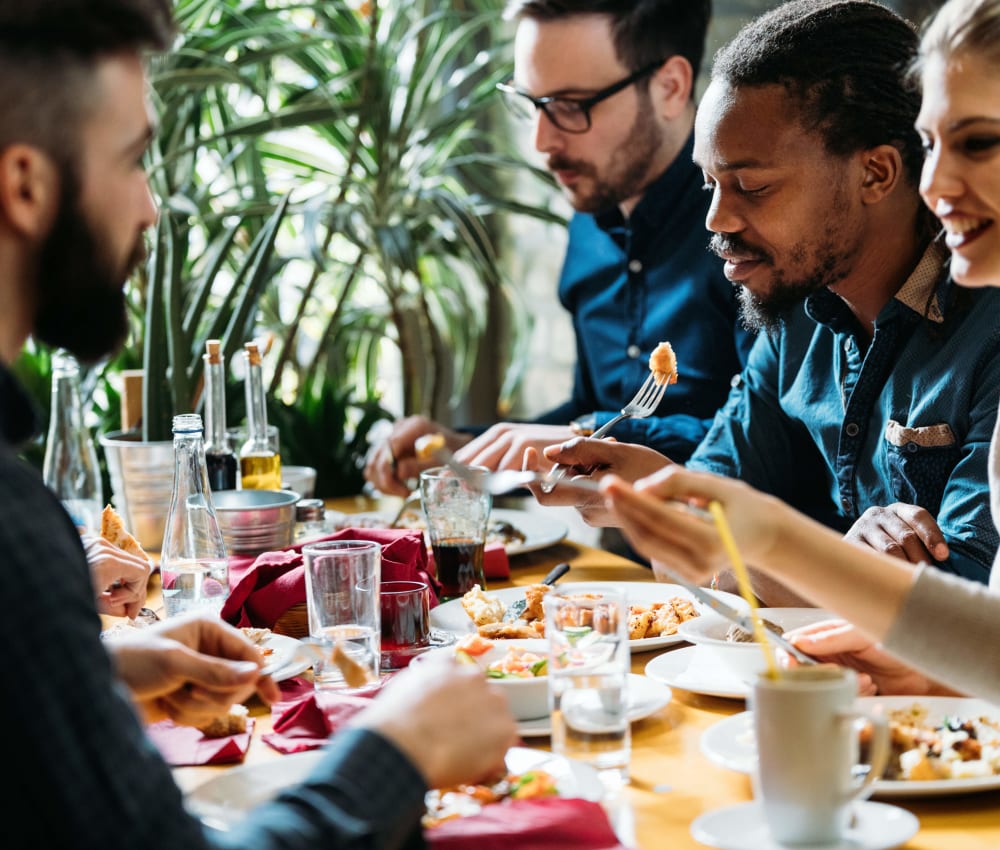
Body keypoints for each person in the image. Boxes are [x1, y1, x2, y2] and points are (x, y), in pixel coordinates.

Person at [0, 2, 518, 847]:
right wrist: (398, 752)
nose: (150, 210)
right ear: (25, 184)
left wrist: (92, 671)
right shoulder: (14, 533)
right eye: (132, 161)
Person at [526, 0, 1000, 602]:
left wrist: (722, 532)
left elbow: (971, 609)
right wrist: (670, 499)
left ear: (876, 174)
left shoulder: (987, 327)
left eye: (751, 186)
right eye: (709, 184)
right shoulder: (796, 312)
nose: (717, 218)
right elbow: (687, 553)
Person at [364, 0, 753, 498]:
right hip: (620, 565)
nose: (541, 142)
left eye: (571, 106)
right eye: (532, 104)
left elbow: (765, 441)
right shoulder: (590, 223)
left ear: (670, 88)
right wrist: (464, 446)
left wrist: (588, 436)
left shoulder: (747, 229)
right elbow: (590, 407)